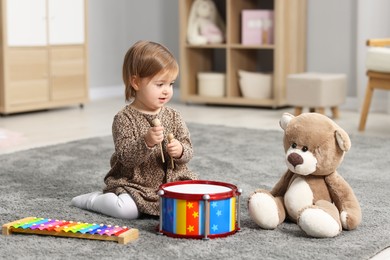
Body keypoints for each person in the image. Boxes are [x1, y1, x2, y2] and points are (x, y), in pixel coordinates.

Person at [71, 40, 198, 219]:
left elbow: (189, 149)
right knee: (127, 211)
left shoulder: (174, 116)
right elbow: (125, 158)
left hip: (174, 181)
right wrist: (146, 142)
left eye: (171, 84)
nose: (167, 91)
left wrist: (180, 150)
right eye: (160, 84)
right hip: (136, 184)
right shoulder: (123, 119)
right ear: (136, 83)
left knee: (198, 198)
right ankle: (93, 200)